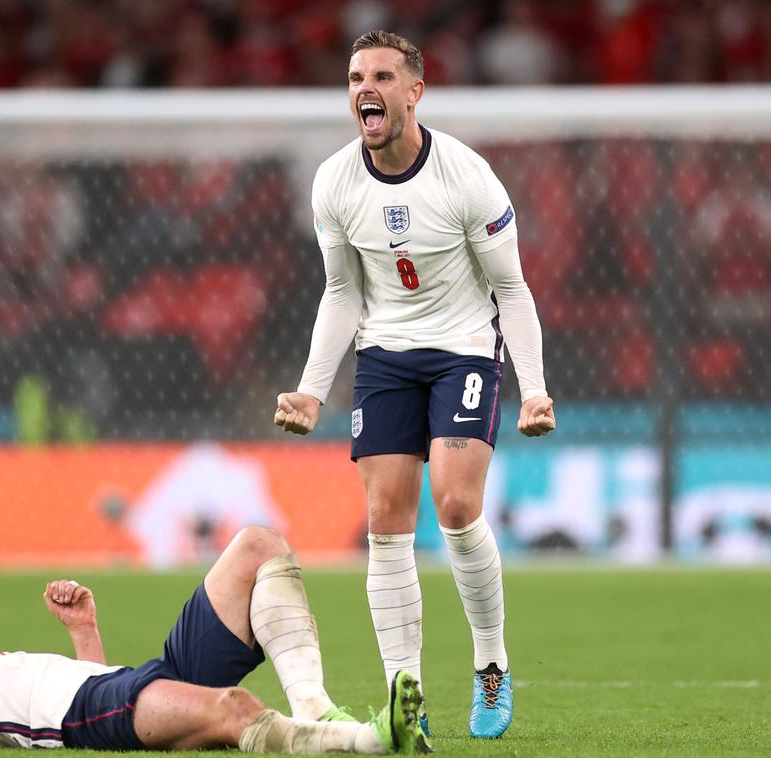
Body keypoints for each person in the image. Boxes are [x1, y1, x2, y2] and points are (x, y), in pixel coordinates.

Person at [273, 31, 556, 740]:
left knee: (457, 506)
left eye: (381, 76)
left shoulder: (466, 177)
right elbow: (342, 292)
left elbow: (512, 290)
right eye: (355, 76)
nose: (365, 87)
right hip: (386, 356)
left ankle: (491, 665)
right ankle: (408, 694)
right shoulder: (334, 182)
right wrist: (312, 388)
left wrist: (536, 387)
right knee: (385, 523)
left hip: (464, 348)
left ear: (413, 92)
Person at [0, 525, 431, 754]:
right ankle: (371, 741)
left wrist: (86, 633)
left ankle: (317, 708)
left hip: (108, 688)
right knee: (233, 712)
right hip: (84, 715)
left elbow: (85, 691)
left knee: (257, 547)